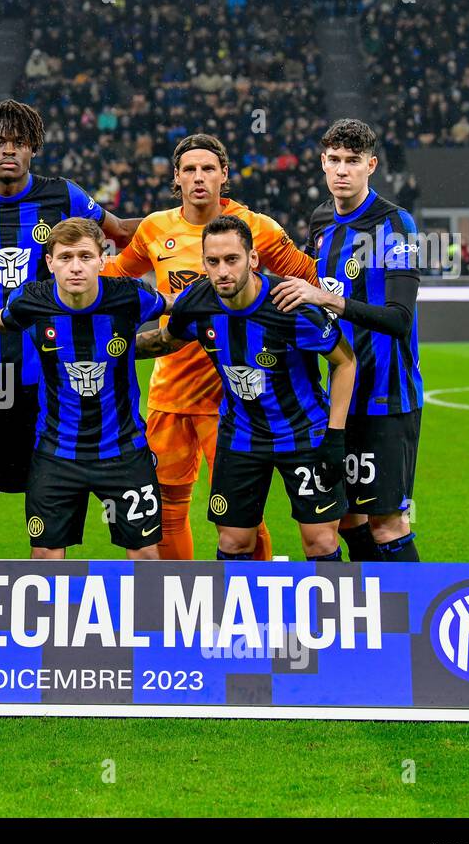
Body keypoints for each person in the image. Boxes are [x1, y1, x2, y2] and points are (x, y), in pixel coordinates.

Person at [104, 133, 320, 561]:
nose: (198, 177)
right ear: (176, 179)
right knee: (165, 509)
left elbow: (312, 281)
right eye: (189, 170)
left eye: (208, 169)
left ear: (225, 175)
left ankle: (253, 603)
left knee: (242, 518)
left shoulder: (257, 228)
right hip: (172, 392)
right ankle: (172, 601)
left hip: (237, 400)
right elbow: (109, 281)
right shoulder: (154, 229)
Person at [0, 99, 142, 498]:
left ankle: (44, 560)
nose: (9, 150)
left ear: (33, 147)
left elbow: (121, 232)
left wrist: (187, 220)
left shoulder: (62, 196)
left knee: (48, 496)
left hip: (45, 367)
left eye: (19, 142)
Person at [139, 215, 358, 560]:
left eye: (232, 259)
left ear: (252, 259)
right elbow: (165, 341)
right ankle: (236, 615)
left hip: (303, 434)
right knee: (234, 542)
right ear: (203, 263)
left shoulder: (291, 306)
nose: (222, 271)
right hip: (241, 436)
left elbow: (345, 361)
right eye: (213, 262)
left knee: (321, 542)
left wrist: (336, 435)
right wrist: (111, 347)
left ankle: (327, 614)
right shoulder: (197, 303)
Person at [0, 218, 177, 560]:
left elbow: (179, 306)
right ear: (50, 263)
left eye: (85, 256)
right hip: (56, 453)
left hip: (124, 451)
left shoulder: (129, 296)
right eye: (65, 257)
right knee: (46, 557)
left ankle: (148, 616)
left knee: (145, 556)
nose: (76, 266)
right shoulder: (31, 301)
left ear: (102, 259)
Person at [270, 118, 424, 562]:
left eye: (352, 161)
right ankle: (367, 620)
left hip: (387, 399)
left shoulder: (396, 225)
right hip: (339, 398)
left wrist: (323, 298)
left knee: (387, 520)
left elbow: (398, 319)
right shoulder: (321, 221)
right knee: (348, 518)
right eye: (334, 160)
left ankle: (406, 622)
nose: (342, 170)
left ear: (370, 165)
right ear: (322, 163)